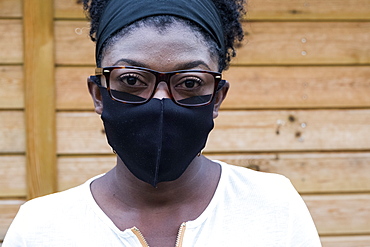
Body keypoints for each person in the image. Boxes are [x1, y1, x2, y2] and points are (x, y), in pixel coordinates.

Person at [3, 0, 321, 246]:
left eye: (190, 83)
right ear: (98, 94)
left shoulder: (274, 207)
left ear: (218, 99)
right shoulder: (40, 228)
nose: (161, 102)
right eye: (132, 79)